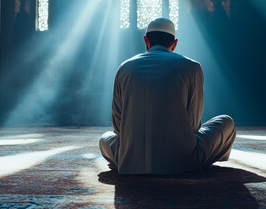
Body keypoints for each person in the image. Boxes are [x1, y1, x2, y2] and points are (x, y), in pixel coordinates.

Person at [99, 18, 236, 175]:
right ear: (175, 43)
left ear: (146, 40)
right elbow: (192, 125)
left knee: (105, 138)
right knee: (226, 122)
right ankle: (205, 164)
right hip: (181, 163)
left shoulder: (125, 68)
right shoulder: (192, 67)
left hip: (131, 162)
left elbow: (117, 126)